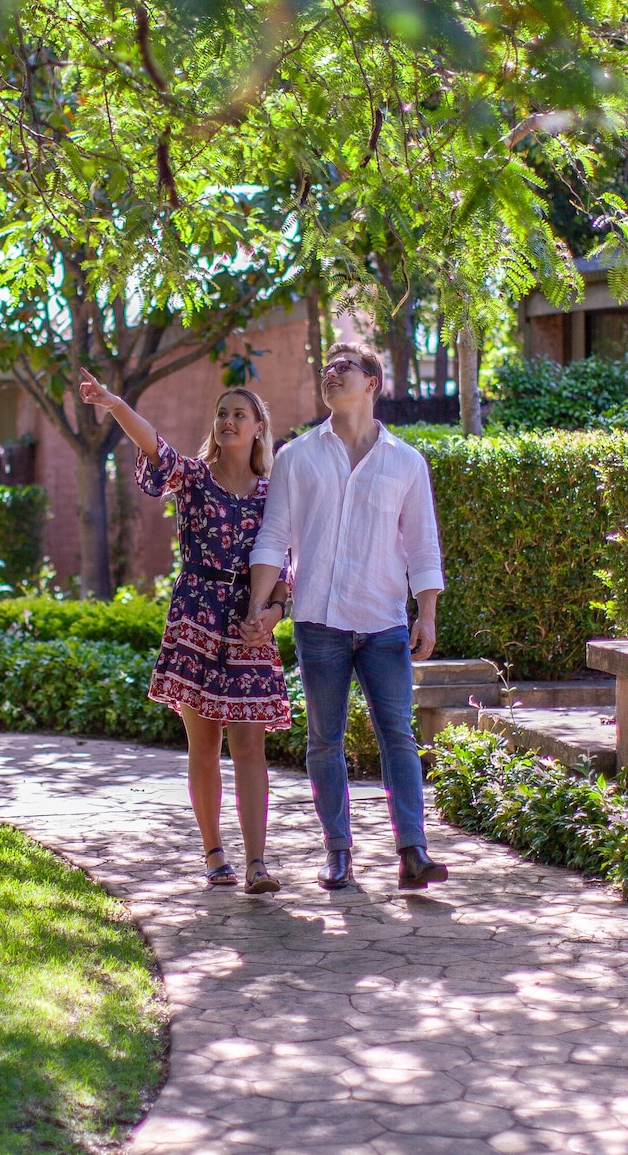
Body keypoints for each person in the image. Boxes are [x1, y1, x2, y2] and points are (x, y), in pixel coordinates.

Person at [240, 340, 449, 891]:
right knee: (324, 741)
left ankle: (413, 852)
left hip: (383, 621)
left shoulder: (405, 462)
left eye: (344, 369)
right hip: (319, 622)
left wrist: (425, 613)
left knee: (398, 738)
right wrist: (260, 606)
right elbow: (274, 537)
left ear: (372, 383)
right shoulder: (297, 457)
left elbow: (422, 544)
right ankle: (338, 852)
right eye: (326, 369)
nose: (331, 376)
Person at [77, 369, 292, 894]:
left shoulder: (274, 493)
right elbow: (156, 449)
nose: (228, 421)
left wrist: (275, 613)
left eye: (240, 413)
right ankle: (214, 852)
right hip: (196, 614)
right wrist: (115, 405)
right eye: (222, 413)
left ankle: (258, 862)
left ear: (260, 426)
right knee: (204, 745)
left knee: (250, 746)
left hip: (249, 623)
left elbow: (286, 563)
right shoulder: (194, 476)